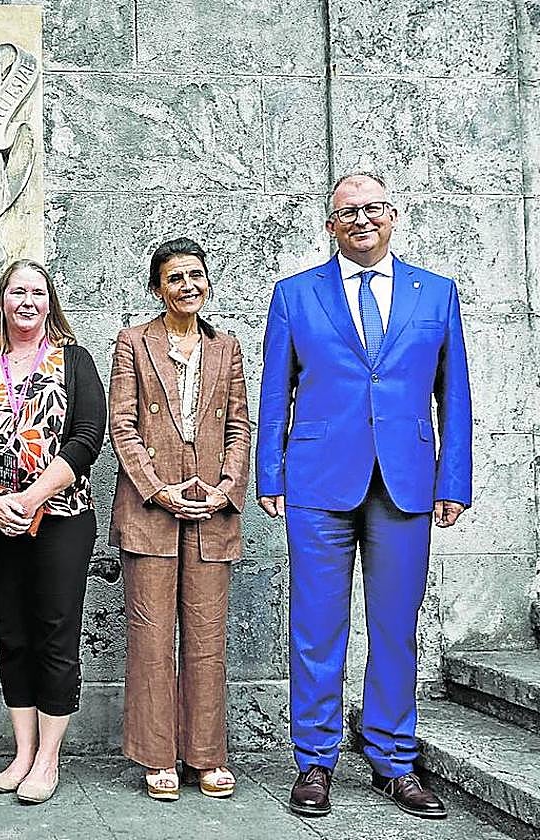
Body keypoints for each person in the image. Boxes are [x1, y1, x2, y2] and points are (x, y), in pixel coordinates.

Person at [257, 172, 471, 819]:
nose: (361, 219)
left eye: (372, 208)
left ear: (394, 216)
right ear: (330, 226)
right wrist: (271, 474)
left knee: (395, 629)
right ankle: (315, 762)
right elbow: (274, 392)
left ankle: (392, 761)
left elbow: (453, 392)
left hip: (405, 482)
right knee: (316, 627)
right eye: (347, 211)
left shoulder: (435, 294)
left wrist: (453, 480)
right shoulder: (295, 296)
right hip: (319, 481)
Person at [108, 237, 250, 802]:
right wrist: (159, 489)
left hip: (212, 512)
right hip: (151, 511)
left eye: (195, 275)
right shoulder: (133, 343)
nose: (187, 286)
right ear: (157, 287)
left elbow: (240, 425)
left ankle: (207, 754)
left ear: (207, 281)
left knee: (207, 636)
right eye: (174, 278)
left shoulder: (227, 348)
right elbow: (122, 426)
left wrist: (224, 489)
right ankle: (157, 754)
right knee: (150, 636)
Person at [0, 258, 105, 805]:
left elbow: (88, 438)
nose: (28, 302)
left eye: (38, 293)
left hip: (61, 517)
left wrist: (29, 497)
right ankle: (21, 753)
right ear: (1, 301)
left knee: (54, 631)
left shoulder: (74, 361)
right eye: (17, 292)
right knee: (13, 636)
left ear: (50, 302)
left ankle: (49, 759)